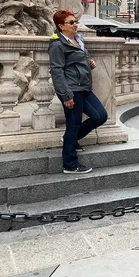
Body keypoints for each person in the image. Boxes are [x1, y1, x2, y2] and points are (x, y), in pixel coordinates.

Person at [49, 10, 108, 174]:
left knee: (100, 116)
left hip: (84, 87)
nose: (75, 25)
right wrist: (66, 95)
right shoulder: (57, 44)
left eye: (75, 22)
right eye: (71, 22)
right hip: (72, 90)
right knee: (73, 125)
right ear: (61, 26)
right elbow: (57, 71)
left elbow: (75, 63)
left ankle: (71, 140)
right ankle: (70, 164)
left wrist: (88, 63)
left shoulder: (78, 40)